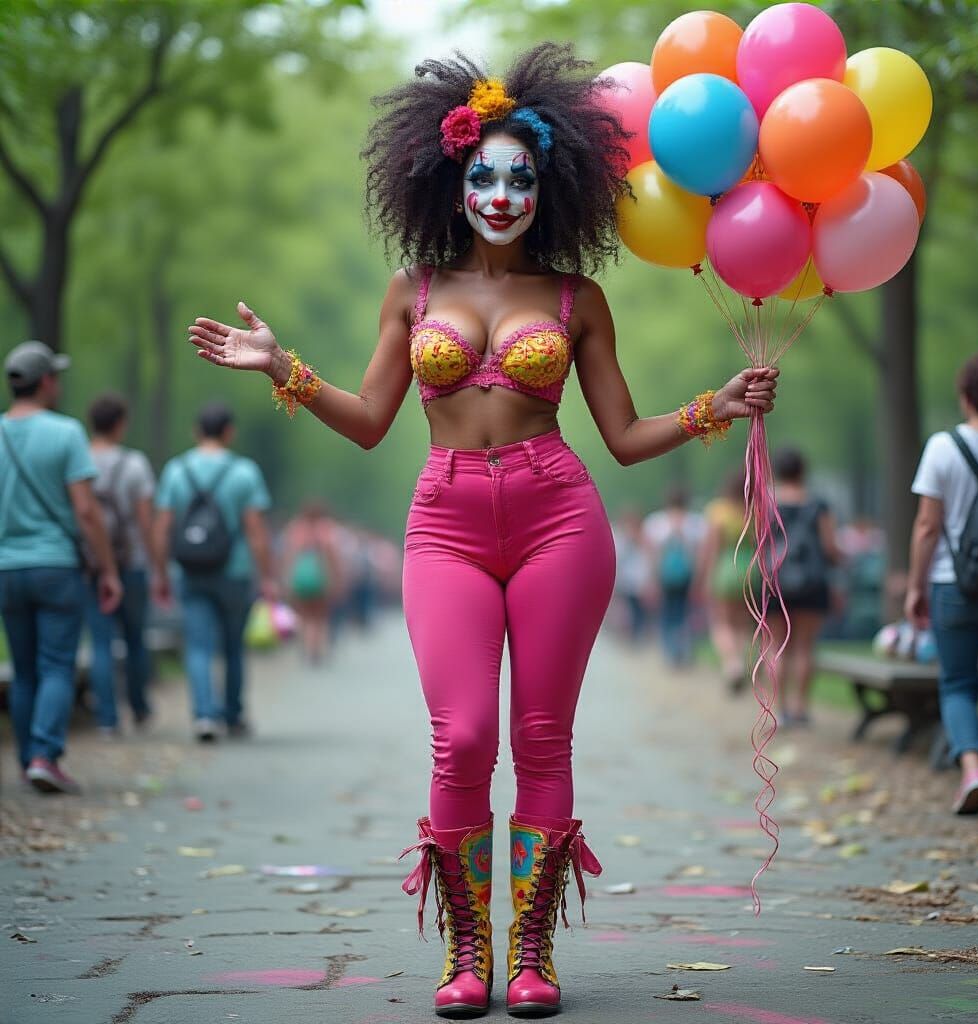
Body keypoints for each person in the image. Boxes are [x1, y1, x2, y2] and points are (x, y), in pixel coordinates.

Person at [186, 45, 777, 1018]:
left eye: (521, 178)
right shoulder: (412, 291)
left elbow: (624, 438)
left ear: (548, 191)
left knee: (541, 737)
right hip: (444, 523)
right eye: (484, 176)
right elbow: (373, 420)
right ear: (450, 182)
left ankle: (530, 951)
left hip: (558, 517)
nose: (501, 193)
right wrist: (280, 365)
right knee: (461, 737)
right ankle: (467, 948)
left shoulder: (576, 299)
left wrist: (714, 404)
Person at [0, 341, 122, 794]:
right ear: (47, 381)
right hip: (55, 566)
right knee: (56, 666)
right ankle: (44, 755)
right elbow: (86, 512)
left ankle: (26, 758)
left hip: (7, 569)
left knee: (24, 668)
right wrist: (107, 569)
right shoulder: (66, 433)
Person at [906, 352, 978, 816]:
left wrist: (916, 586)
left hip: (954, 585)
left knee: (956, 684)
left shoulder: (943, 447)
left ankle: (970, 767)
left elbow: (927, 527)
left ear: (966, 395)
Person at [153, 403, 275, 742]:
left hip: (189, 570)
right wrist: (267, 577)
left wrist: (160, 572)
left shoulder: (176, 471)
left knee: (198, 646)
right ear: (229, 432)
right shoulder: (244, 472)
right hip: (234, 571)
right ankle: (233, 715)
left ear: (196, 431)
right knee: (233, 645)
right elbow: (255, 531)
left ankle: (204, 716)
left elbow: (162, 527)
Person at [85, 394, 159, 736]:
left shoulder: (79, 458)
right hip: (131, 564)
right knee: (135, 640)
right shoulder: (134, 464)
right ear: (119, 424)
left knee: (100, 643)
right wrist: (157, 565)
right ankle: (139, 707)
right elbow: (145, 523)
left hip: (91, 566)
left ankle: (107, 719)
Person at [767, 448, 842, 726]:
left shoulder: (767, 501)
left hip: (775, 581)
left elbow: (757, 541)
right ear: (802, 471)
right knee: (804, 647)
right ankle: (801, 709)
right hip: (812, 583)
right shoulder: (818, 504)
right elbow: (829, 547)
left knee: (778, 646)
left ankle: (778, 708)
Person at [696, 471, 757, 696]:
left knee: (721, 622)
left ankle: (732, 665)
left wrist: (703, 578)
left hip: (724, 568)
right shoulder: (753, 510)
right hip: (749, 570)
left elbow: (711, 548)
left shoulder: (718, 511)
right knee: (742, 623)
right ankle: (740, 661)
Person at [644, 487, 704, 667]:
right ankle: (683, 650)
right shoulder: (696, 522)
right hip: (688, 575)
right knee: (686, 613)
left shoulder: (656, 522)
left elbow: (652, 555)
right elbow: (700, 554)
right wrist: (699, 580)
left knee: (667, 614)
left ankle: (670, 651)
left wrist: (652, 580)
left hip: (665, 575)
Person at [281, 499, 345, 664]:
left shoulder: (296, 528)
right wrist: (337, 578)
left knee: (304, 615)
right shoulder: (326, 528)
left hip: (301, 578)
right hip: (320, 577)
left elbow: (289, 555)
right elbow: (333, 555)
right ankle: (316, 649)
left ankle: (306, 646)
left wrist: (287, 578)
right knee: (319, 616)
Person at [611, 508, 654, 644]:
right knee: (631, 609)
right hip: (628, 579)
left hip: (638, 579)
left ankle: (637, 636)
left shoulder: (643, 538)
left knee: (638, 609)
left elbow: (649, 557)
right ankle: (633, 635)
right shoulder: (621, 538)